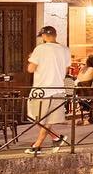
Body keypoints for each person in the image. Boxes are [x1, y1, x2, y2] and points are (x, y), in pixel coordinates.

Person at [26, 25, 72, 154]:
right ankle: (55, 138)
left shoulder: (40, 49)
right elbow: (66, 70)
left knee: (36, 117)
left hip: (41, 89)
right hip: (58, 88)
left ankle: (38, 145)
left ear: (44, 36)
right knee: (48, 119)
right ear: (55, 35)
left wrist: (31, 58)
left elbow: (30, 69)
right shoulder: (65, 50)